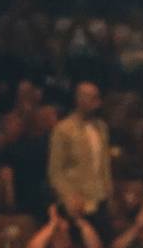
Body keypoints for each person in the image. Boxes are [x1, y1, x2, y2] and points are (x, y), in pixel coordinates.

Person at [47, 81, 112, 215]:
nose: (96, 102)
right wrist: (68, 197)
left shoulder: (102, 128)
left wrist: (109, 190)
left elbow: (105, 164)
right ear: (79, 99)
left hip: (101, 199)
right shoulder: (63, 130)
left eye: (97, 97)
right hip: (76, 202)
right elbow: (56, 172)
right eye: (92, 98)